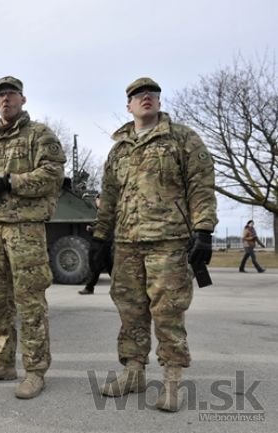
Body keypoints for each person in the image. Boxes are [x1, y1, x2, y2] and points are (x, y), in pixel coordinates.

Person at [90, 77, 218, 412]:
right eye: (137, 94)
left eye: (152, 94)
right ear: (128, 105)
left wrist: (204, 230)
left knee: (168, 312)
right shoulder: (118, 149)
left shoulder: (182, 138)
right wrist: (101, 238)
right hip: (127, 243)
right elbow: (109, 199)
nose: (145, 97)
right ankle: (134, 372)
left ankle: (172, 380)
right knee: (130, 311)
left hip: (169, 241)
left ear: (159, 102)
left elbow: (201, 185)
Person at [0, 76, 65, 399]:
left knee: (30, 301)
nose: (5, 99)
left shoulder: (40, 135)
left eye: (10, 94)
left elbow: (52, 176)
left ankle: (35, 371)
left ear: (23, 99)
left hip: (26, 230)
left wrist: (10, 182)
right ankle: (3, 362)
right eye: (0, 95)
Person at [78, 195, 113, 295]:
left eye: (98, 199)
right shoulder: (103, 212)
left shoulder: (106, 212)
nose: (96, 201)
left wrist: (91, 229)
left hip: (101, 240)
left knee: (95, 264)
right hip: (103, 240)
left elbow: (103, 227)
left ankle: (89, 287)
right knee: (109, 265)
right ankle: (119, 286)